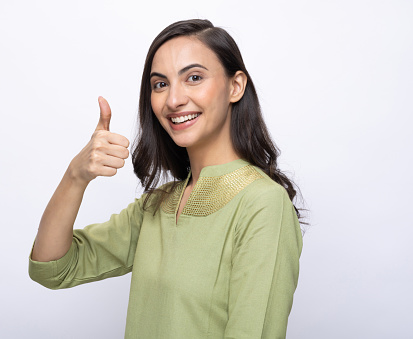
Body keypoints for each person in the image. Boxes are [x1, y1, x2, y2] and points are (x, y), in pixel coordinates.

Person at [29, 19, 304, 339]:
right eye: (160, 84)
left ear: (235, 86)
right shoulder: (157, 205)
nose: (173, 100)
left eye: (194, 77)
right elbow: (51, 267)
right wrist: (76, 176)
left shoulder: (263, 204)